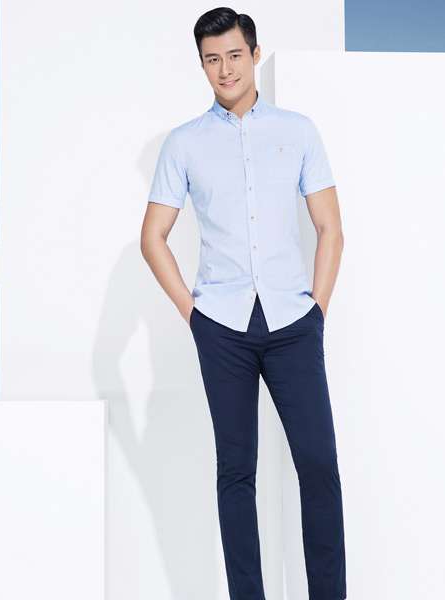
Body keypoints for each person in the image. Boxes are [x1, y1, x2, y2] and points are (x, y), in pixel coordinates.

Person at [141, 7, 347, 600]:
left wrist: (317, 312)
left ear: (255, 55)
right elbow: (152, 238)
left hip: (293, 322)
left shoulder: (298, 131)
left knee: (318, 465)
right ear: (202, 65)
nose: (225, 69)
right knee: (236, 473)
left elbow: (330, 228)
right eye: (212, 59)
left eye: (234, 55)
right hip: (222, 327)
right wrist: (195, 316)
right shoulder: (184, 144)